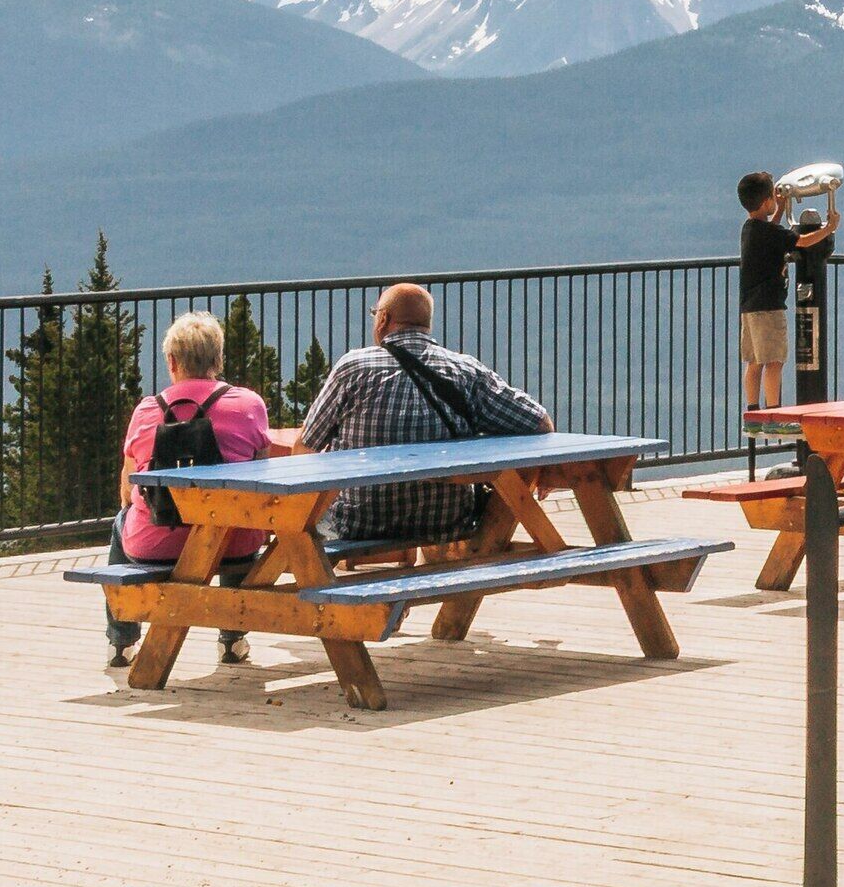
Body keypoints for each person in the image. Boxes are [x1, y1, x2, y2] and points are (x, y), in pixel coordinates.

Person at [300, 284, 554, 549]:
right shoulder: (465, 370)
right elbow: (539, 421)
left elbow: (306, 446)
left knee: (299, 524)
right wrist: (542, 471)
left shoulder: (354, 367)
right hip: (446, 521)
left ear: (384, 318)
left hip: (359, 523)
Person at [104, 311, 279, 670]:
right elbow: (261, 473)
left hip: (155, 544)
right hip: (236, 545)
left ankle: (121, 641)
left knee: (121, 520)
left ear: (171, 361)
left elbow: (127, 489)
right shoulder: (249, 405)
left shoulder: (147, 411)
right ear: (218, 359)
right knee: (236, 511)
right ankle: (232, 639)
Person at [736, 170, 837, 414]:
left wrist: (780, 209)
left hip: (749, 307)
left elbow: (773, 234)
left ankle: (753, 409)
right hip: (769, 306)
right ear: (765, 202)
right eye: (773, 196)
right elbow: (801, 241)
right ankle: (774, 411)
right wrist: (829, 228)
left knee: (754, 361)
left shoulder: (751, 229)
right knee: (774, 361)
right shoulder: (770, 233)